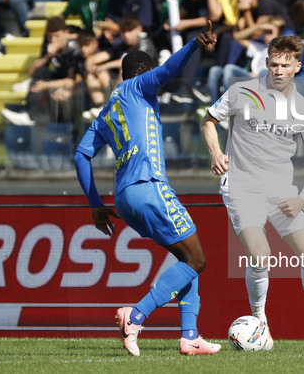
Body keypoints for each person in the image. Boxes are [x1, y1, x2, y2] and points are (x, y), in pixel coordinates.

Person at [200, 34, 304, 351]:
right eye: (273, 64)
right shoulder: (242, 91)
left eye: (285, 65)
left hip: (282, 191)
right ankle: (261, 324)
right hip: (241, 187)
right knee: (261, 255)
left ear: (298, 67)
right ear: (267, 64)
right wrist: (216, 153)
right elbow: (208, 120)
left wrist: (302, 198)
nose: (278, 70)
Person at [74, 24, 220, 357]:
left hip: (124, 197)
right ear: (145, 73)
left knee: (185, 258)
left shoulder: (106, 112)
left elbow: (81, 155)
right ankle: (136, 315)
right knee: (197, 259)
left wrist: (96, 205)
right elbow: (169, 71)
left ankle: (190, 336)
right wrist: (194, 44)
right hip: (149, 186)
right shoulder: (137, 88)